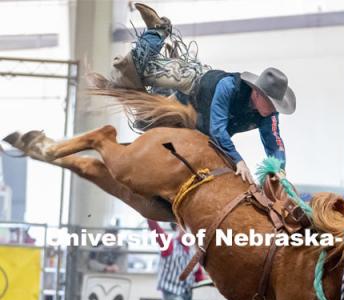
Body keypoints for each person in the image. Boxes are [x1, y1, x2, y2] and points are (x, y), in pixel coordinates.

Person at [98, 3, 295, 183]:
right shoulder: (228, 87)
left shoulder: (268, 114)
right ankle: (157, 32)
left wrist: (279, 170)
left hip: (202, 132)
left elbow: (274, 142)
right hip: (191, 88)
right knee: (133, 80)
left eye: (275, 106)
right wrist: (239, 161)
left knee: (148, 123)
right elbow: (218, 129)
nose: (272, 110)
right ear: (257, 93)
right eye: (270, 103)